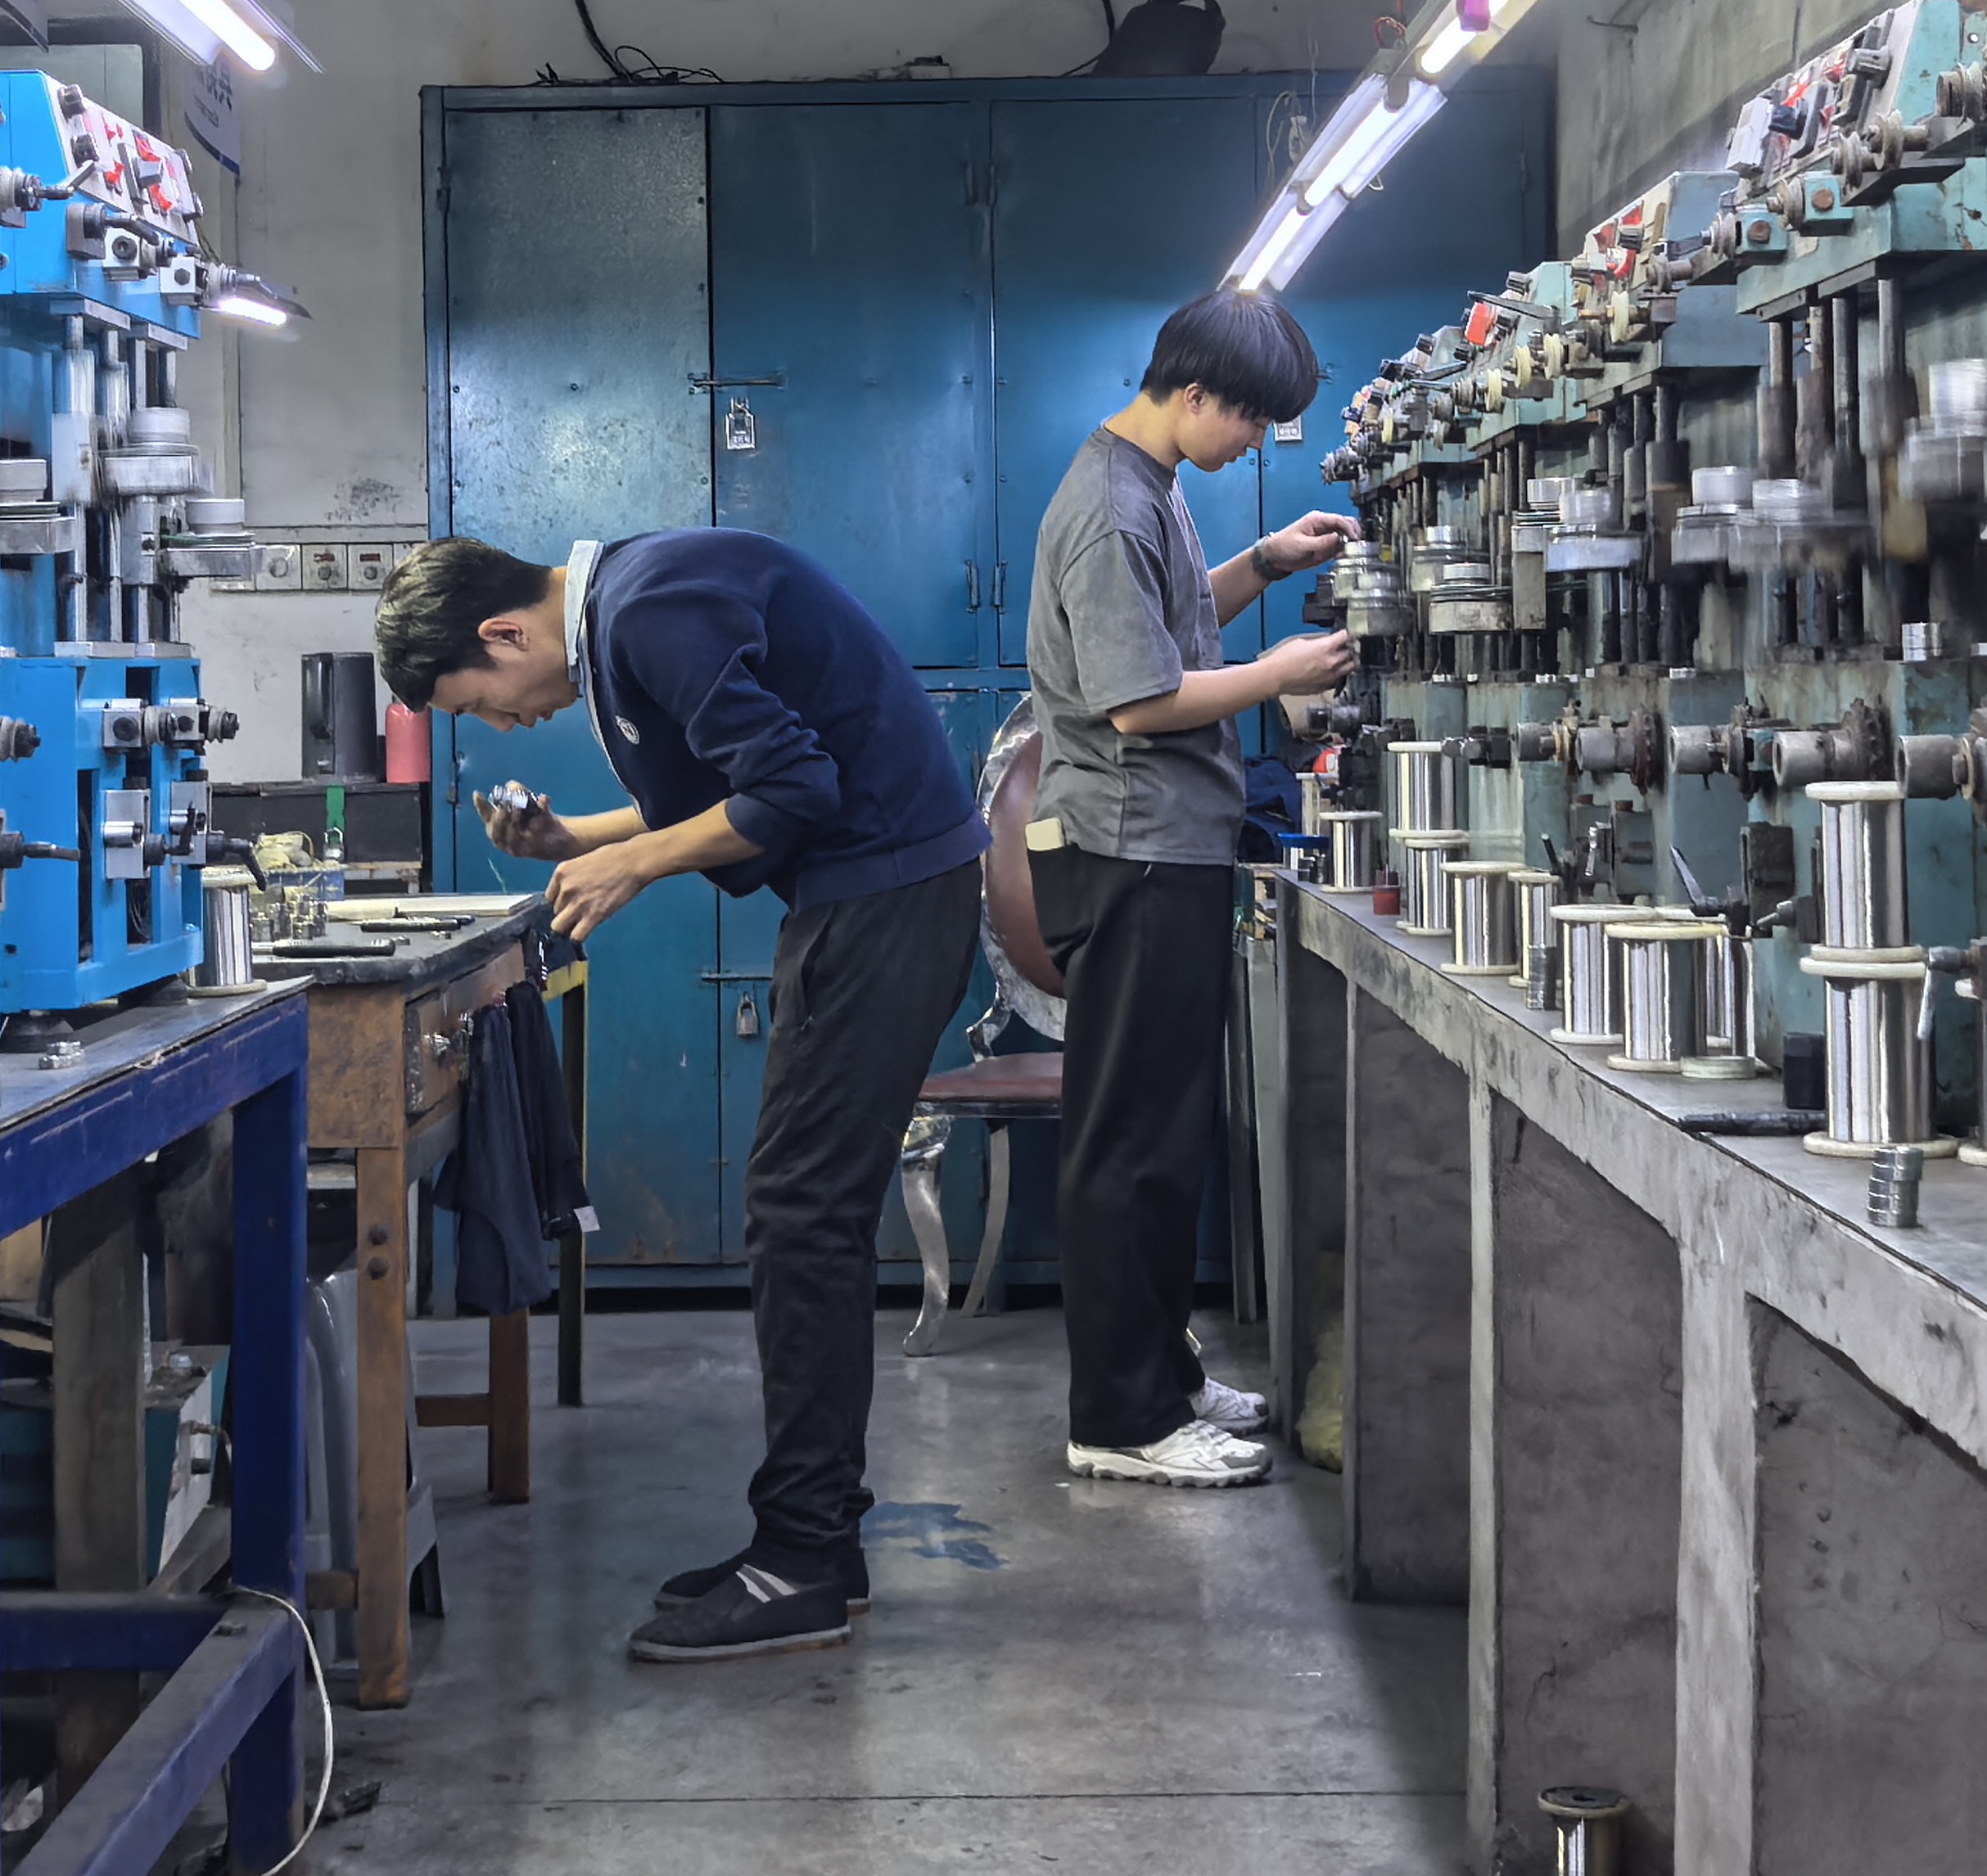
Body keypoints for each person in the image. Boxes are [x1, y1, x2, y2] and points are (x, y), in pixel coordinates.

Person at [374, 530, 984, 1662]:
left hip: (886, 895)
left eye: (480, 702)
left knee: (801, 1217)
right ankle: (817, 1547)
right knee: (805, 1212)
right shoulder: (632, 607)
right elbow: (733, 786)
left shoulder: (645, 611)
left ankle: (803, 1560)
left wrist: (634, 864)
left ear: (503, 632)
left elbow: (795, 787)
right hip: (880, 889)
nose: (503, 726)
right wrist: (578, 838)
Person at [1024, 290, 1357, 1489]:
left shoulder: (1149, 484)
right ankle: (1121, 1420)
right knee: (1130, 1139)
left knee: (1164, 1135)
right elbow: (1138, 700)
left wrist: (1264, 563)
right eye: (1253, 420)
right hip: (1132, 852)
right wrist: (1278, 675)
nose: (1257, 442)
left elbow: (1164, 634)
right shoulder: (1112, 509)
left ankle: (1162, 1372)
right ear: (1198, 392)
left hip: (1164, 847)